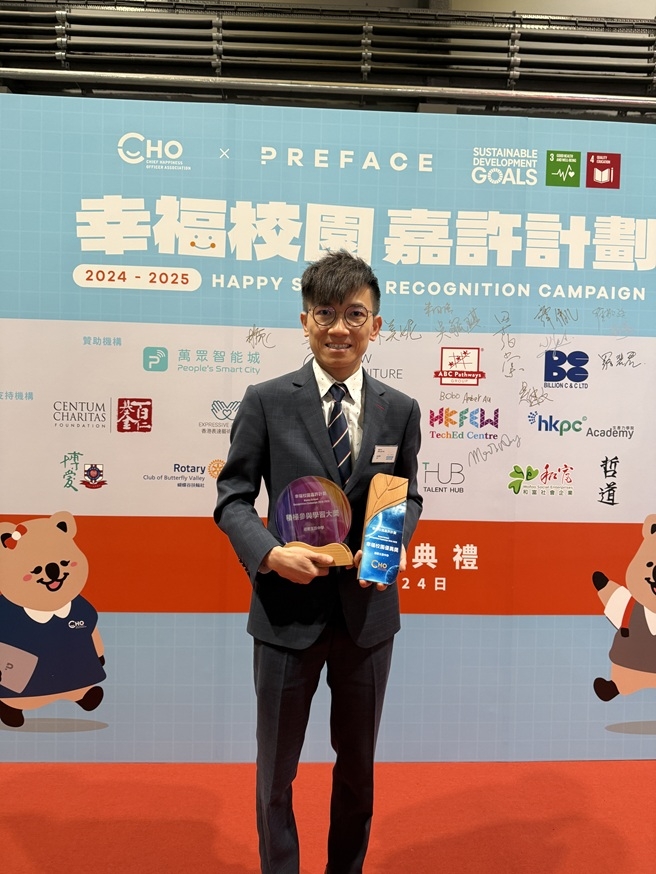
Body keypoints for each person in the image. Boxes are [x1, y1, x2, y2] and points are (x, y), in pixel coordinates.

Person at [214, 250, 422, 874]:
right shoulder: (267, 401)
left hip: (368, 617)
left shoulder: (400, 409)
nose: (339, 328)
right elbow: (232, 498)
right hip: (285, 615)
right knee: (276, 772)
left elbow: (407, 494)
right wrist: (269, 553)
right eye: (325, 314)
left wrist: (395, 536)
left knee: (358, 769)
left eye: (354, 314)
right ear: (304, 321)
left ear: (375, 325)